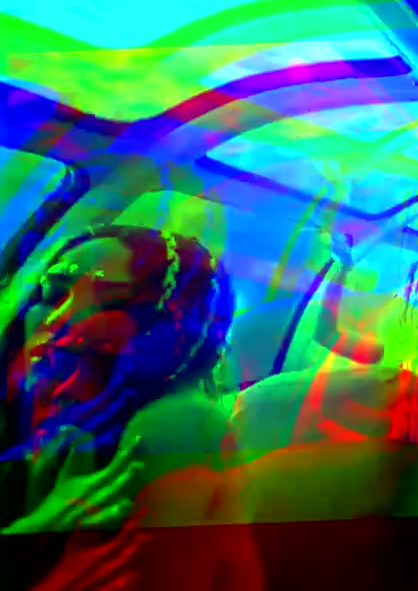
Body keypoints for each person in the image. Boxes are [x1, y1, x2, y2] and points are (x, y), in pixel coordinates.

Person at [0, 225, 258, 589]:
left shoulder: (174, 429)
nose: (57, 320)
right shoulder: (40, 432)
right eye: (52, 293)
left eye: (109, 302)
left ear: (167, 335)